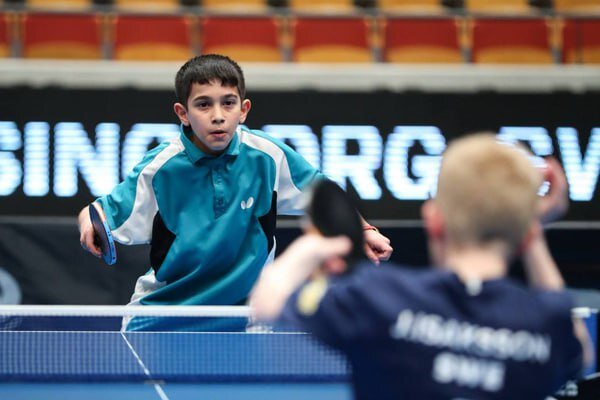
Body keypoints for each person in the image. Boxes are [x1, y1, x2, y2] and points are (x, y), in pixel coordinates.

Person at [251, 133, 594, 400]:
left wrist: (320, 243)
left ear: (433, 220)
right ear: (524, 233)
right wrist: (532, 232)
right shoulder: (545, 320)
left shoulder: (380, 297)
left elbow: (267, 302)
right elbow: (582, 352)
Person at [77, 54, 393, 330]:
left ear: (243, 109)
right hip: (163, 315)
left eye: (228, 103)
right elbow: (99, 213)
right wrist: (87, 222)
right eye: (203, 104)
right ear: (183, 113)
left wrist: (364, 230)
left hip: (245, 319)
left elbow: (324, 196)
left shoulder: (268, 156)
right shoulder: (160, 168)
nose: (218, 115)